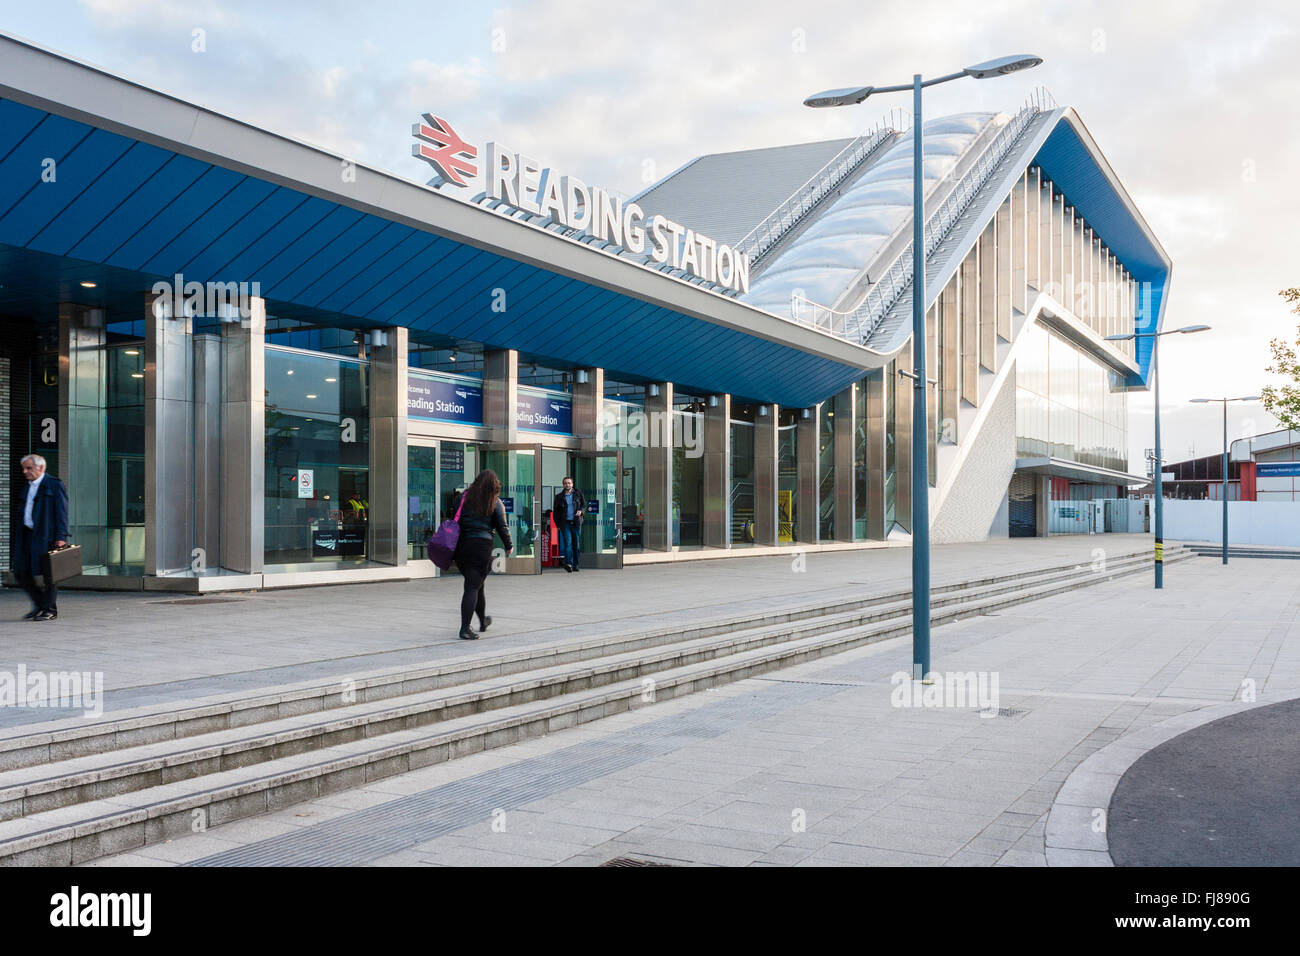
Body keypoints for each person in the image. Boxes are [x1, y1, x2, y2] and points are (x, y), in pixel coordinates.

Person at [452, 469, 512, 640]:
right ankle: (465, 628)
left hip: (462, 547)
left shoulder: (463, 498)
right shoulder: (495, 501)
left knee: (478, 584)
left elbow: (454, 517)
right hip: (482, 548)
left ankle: (483, 620)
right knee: (472, 587)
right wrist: (509, 545)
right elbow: (502, 526)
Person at [12, 454, 68, 622]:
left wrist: (61, 536)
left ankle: (50, 609)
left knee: (50, 574)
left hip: (46, 536)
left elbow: (62, 512)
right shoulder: (27, 487)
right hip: (27, 535)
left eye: (29, 468)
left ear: (41, 468)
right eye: (24, 468)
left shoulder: (54, 485)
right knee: (21, 571)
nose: (25, 471)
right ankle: (40, 604)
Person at [552, 476, 585, 572]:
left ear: (572, 484)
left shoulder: (578, 494)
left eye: (569, 483)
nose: (567, 484)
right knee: (568, 544)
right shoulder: (559, 497)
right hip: (565, 523)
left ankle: (576, 564)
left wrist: (581, 511)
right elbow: (556, 512)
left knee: (576, 545)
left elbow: (584, 505)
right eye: (565, 483)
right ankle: (569, 564)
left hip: (576, 523)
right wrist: (558, 525)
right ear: (563, 485)